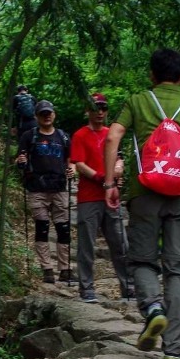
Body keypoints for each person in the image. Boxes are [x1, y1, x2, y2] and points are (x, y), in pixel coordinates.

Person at [103, 48, 180, 359]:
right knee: (177, 270)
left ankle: (153, 309)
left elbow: (112, 136)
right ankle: (175, 348)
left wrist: (109, 183)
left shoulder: (138, 101)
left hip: (144, 193)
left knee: (142, 261)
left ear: (152, 75)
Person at [70, 92, 131, 303]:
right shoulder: (80, 135)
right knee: (86, 244)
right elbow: (78, 163)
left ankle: (128, 285)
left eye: (104, 108)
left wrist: (116, 171)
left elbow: (120, 160)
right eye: (96, 108)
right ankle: (86, 288)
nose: (100, 112)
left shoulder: (110, 134)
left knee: (120, 242)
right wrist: (100, 176)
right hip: (89, 196)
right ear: (88, 111)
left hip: (111, 195)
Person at [17, 99, 73, 284]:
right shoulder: (29, 136)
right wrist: (21, 162)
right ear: (36, 116)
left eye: (49, 113)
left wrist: (72, 169)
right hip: (37, 188)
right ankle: (46, 268)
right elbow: (21, 157)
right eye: (43, 113)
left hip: (59, 187)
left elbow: (70, 159)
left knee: (63, 228)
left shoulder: (63, 137)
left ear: (54, 114)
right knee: (42, 227)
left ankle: (65, 269)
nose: (47, 116)